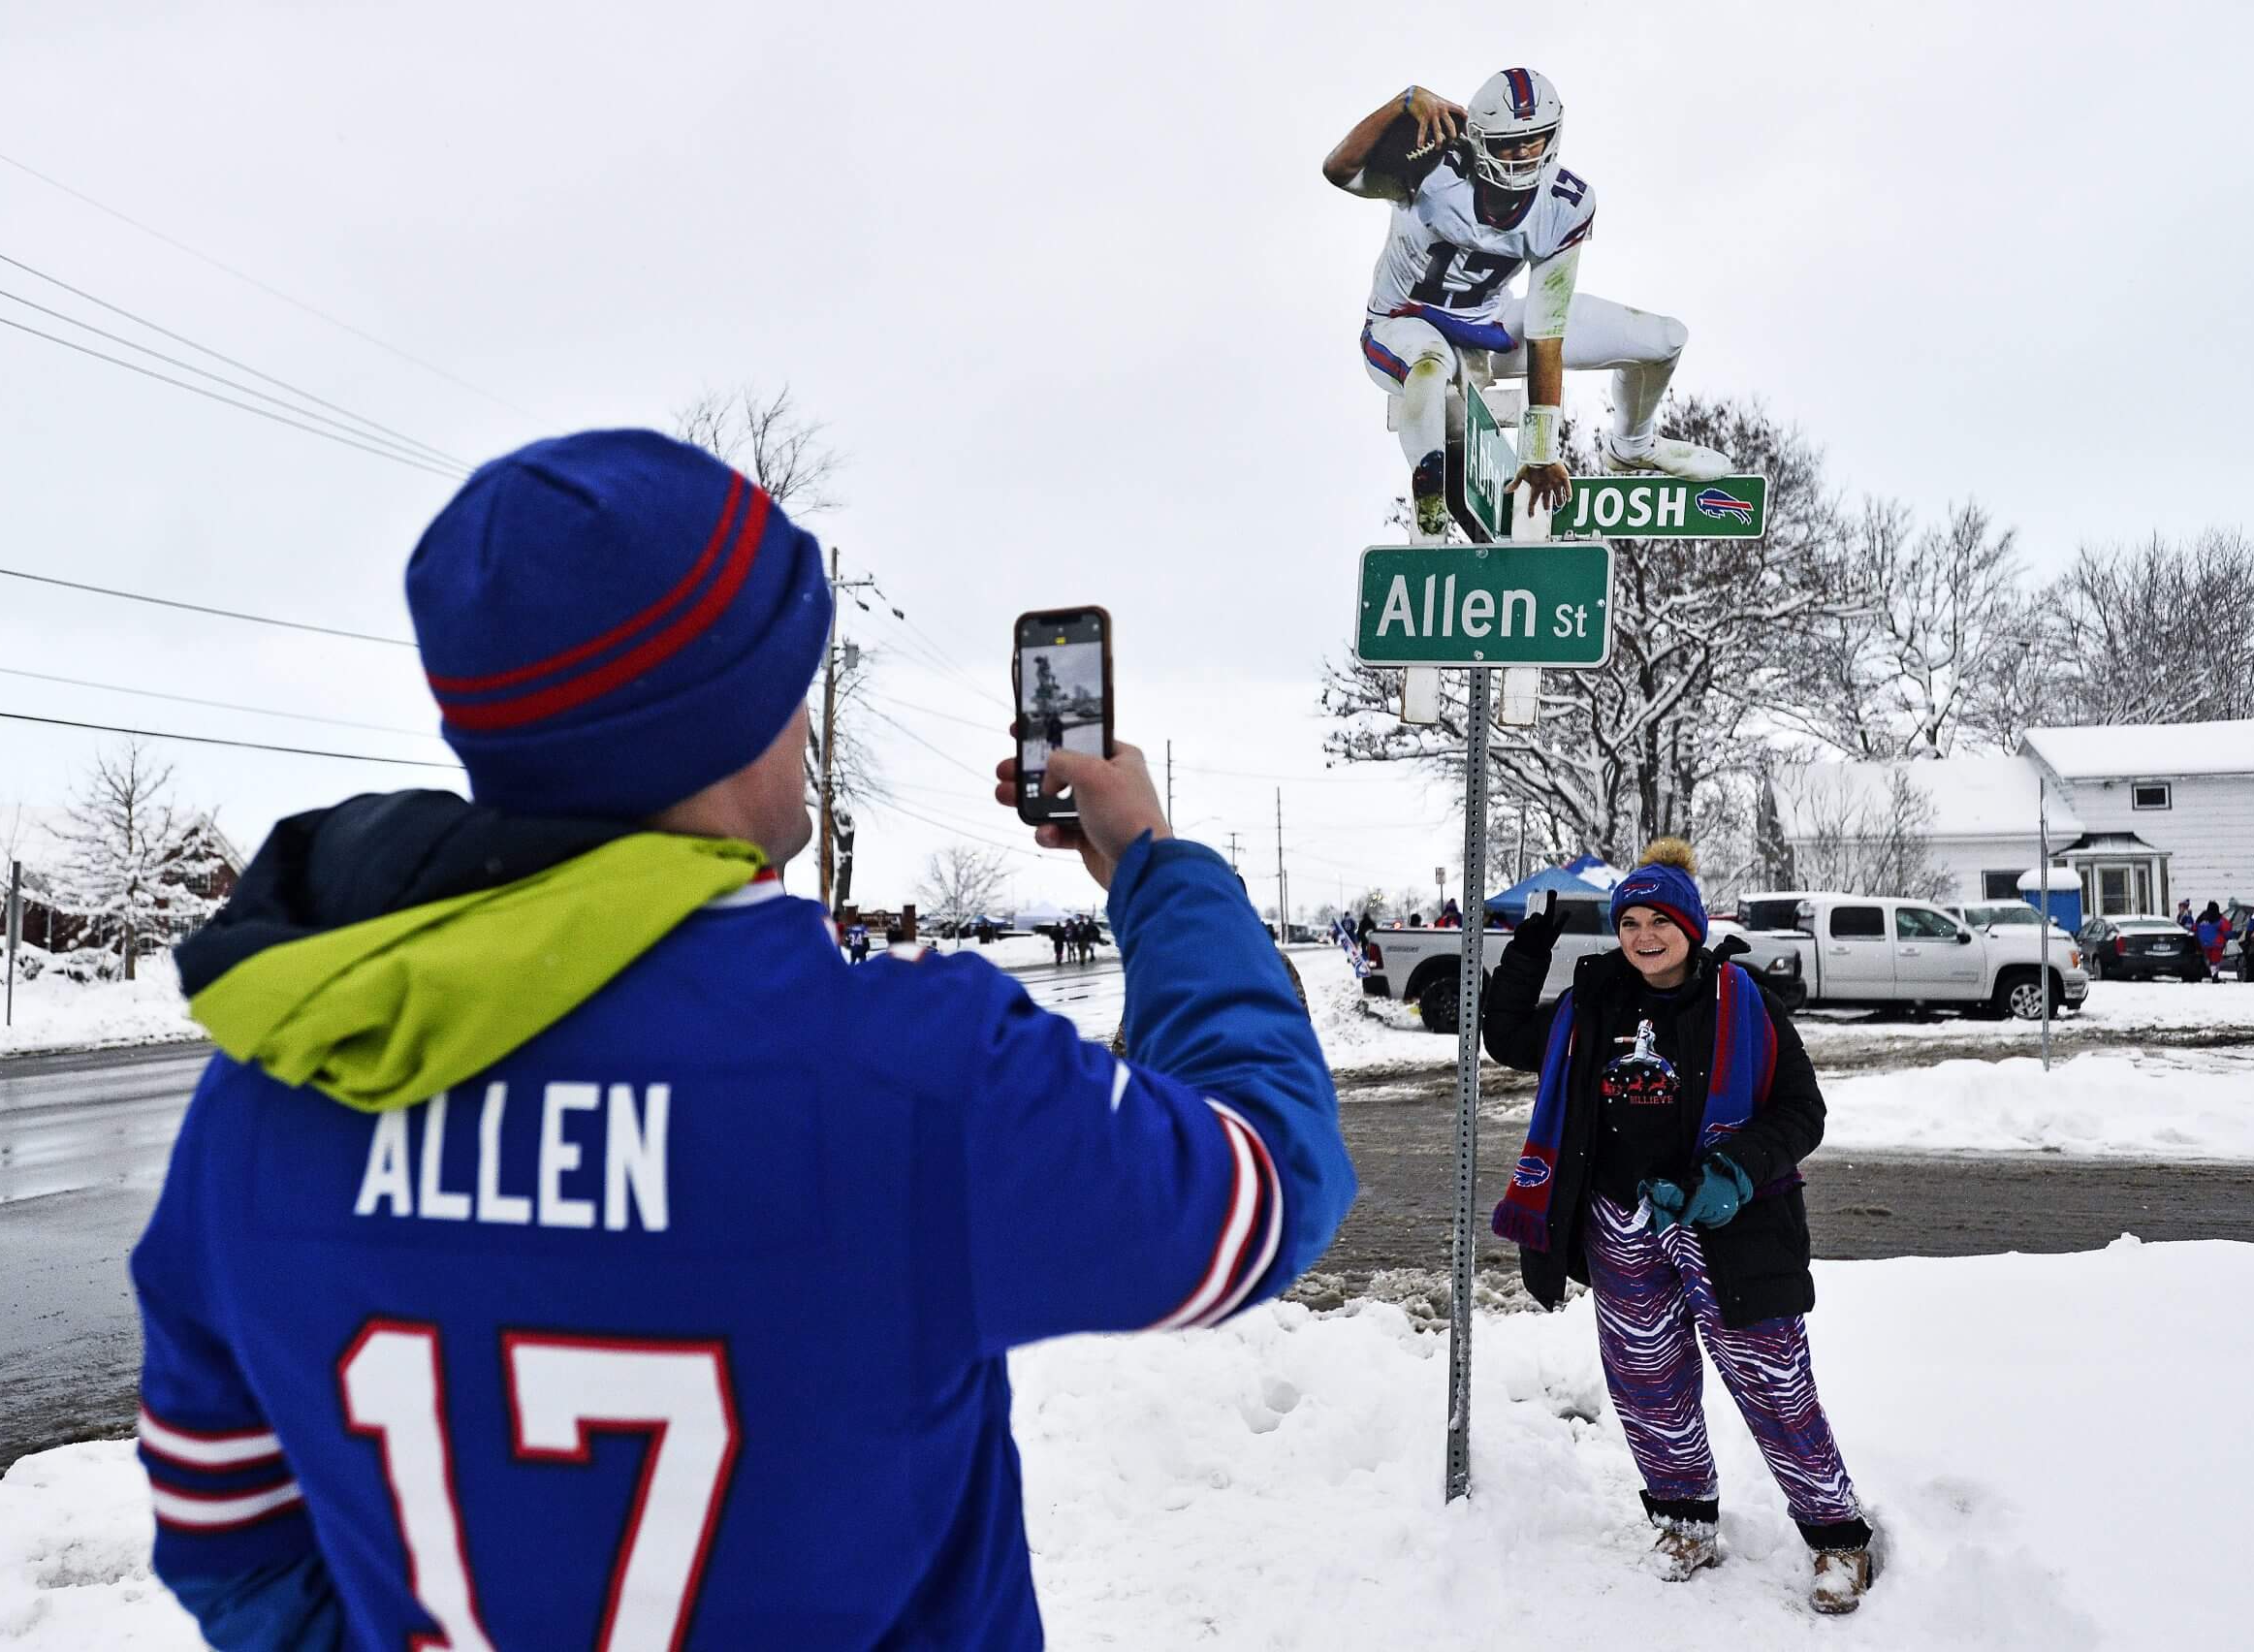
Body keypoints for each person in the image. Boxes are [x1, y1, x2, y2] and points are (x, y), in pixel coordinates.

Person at [131, 430, 1356, 1651]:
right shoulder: (915, 1073)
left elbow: (225, 1527)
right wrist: (1155, 868)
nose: (809, 736)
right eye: (790, 689)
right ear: (722, 721)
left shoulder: (273, 1083)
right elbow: (1267, 1176)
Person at [1484, 838, 1876, 1614]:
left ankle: (1838, 1538)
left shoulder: (1744, 1001)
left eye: (1658, 919)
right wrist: (1529, 947)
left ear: (1690, 925)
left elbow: (1803, 1112)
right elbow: (1505, 1038)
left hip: (1728, 1222)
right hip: (1619, 1221)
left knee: (1773, 1381)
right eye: (1629, 921)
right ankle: (1685, 1520)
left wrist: (1735, 1173)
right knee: (1647, 1383)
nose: (1642, 936)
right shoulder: (1593, 1002)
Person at [1323, 69, 1731, 537]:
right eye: (1508, 142)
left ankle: (1632, 445)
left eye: (1534, 139)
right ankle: (1429, 518)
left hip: (1488, 322)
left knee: (1664, 340)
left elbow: (1546, 331)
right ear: (1477, 139)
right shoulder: (1431, 165)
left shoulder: (1563, 204)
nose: (1522, 153)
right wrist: (1405, 100)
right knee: (1429, 371)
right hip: (1406, 319)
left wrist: (1540, 451)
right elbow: (1340, 169)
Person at [2197, 900, 2230, 979]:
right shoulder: (2219, 917)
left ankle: (2210, 972)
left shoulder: (2201, 917)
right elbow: (2227, 929)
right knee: (2215, 961)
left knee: (2209, 960)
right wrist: (2228, 937)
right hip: (2217, 944)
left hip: (2203, 944)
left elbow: (2194, 928)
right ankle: (2215, 976)